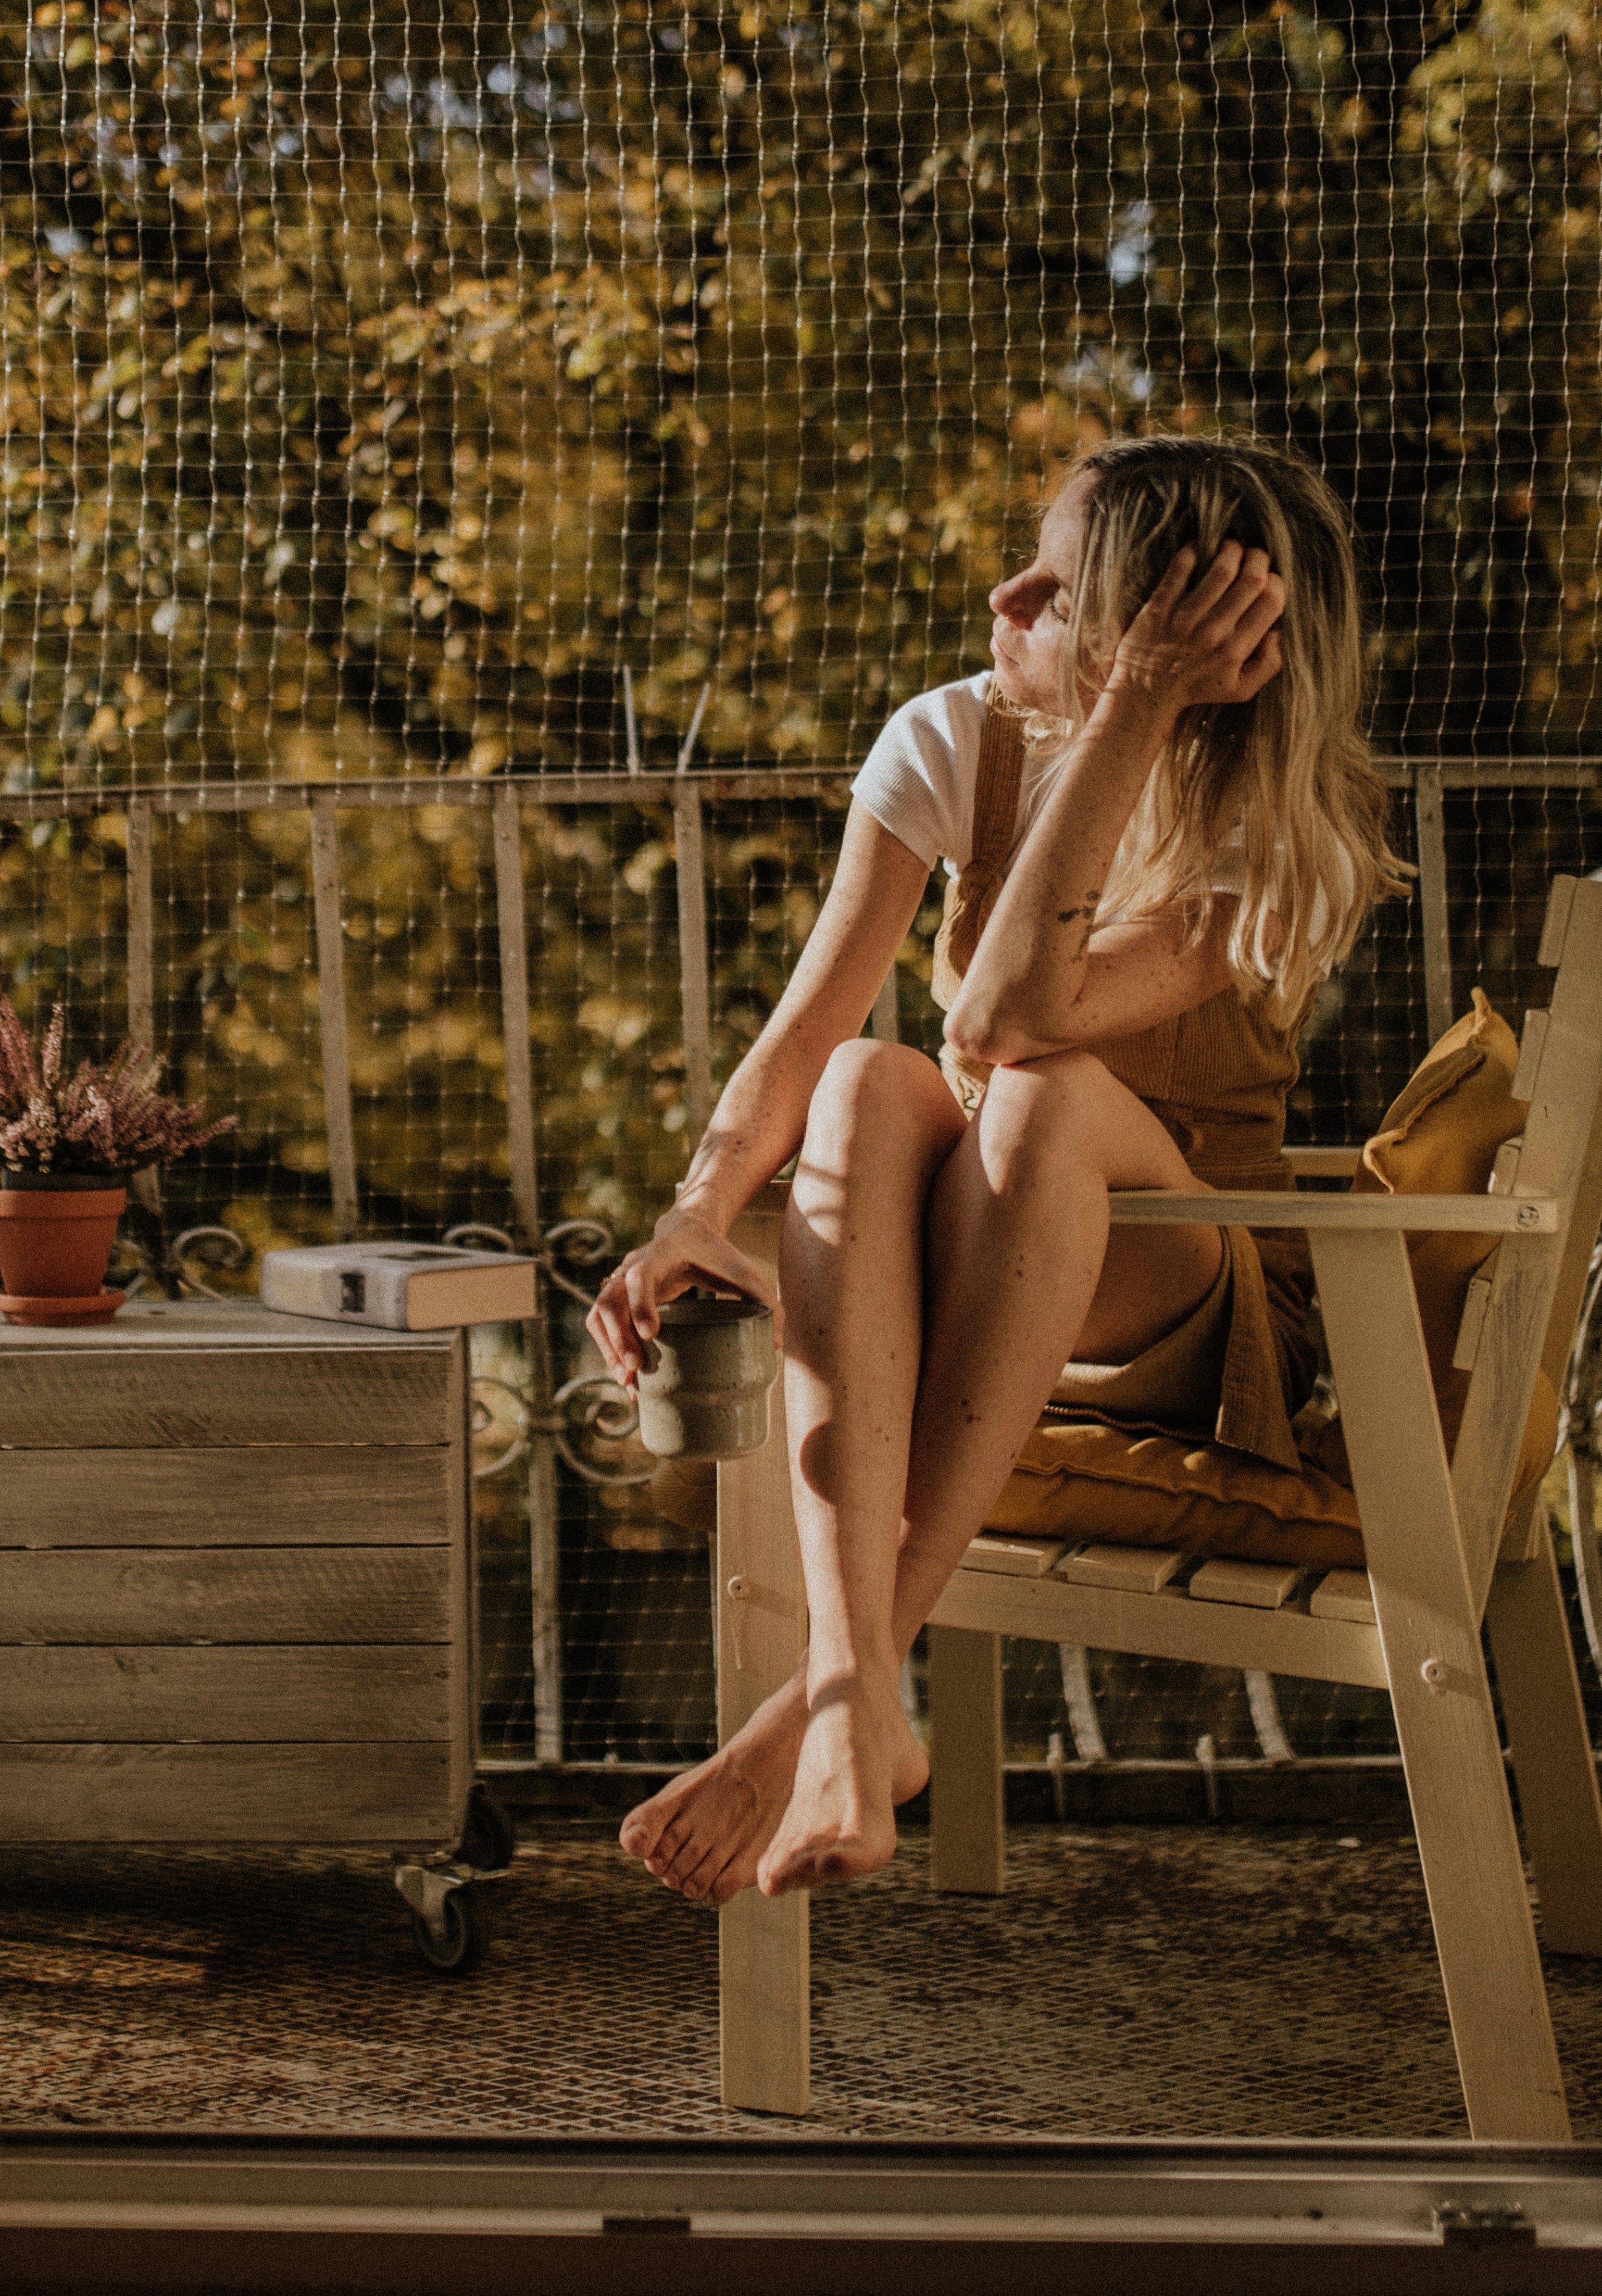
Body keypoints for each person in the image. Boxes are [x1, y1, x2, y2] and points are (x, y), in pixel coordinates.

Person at [585, 436, 1405, 1906]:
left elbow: (1006, 1018)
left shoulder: (1274, 829)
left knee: (1034, 1095)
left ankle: (835, 1700)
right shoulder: (952, 736)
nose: (1003, 591)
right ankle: (855, 1706)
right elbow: (807, 1028)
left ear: (1165, 632)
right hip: (986, 1285)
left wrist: (1137, 711)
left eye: (1057, 582)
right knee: (862, 1080)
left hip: (1189, 1319)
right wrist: (695, 1215)